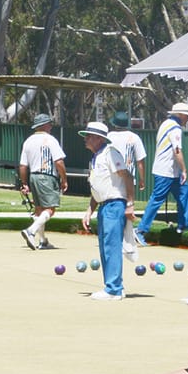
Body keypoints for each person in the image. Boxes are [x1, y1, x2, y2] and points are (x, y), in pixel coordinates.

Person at [79, 122, 136, 301]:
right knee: (105, 248)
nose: (85, 139)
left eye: (88, 136)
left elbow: (127, 176)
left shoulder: (110, 153)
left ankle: (114, 289)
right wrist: (90, 210)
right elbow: (98, 187)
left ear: (99, 138)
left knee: (111, 247)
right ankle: (113, 286)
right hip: (104, 206)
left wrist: (130, 204)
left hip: (115, 204)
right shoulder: (96, 157)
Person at [135, 103, 188, 244]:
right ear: (180, 115)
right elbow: (177, 150)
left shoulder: (166, 124)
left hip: (170, 171)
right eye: (187, 116)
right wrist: (184, 170)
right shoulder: (175, 128)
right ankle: (140, 230)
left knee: (185, 191)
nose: (187, 119)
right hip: (166, 171)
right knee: (157, 200)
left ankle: (185, 224)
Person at [19, 113, 68, 250]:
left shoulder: (28, 141)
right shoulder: (50, 140)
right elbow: (59, 162)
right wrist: (64, 179)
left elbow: (23, 166)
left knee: (39, 210)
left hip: (33, 176)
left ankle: (43, 241)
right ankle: (31, 231)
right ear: (45, 125)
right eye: (49, 124)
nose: (51, 126)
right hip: (47, 176)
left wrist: (24, 183)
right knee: (50, 209)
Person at [107, 111, 147, 192]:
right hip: (128, 178)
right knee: (127, 203)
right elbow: (140, 162)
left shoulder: (109, 136)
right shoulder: (134, 137)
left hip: (110, 178)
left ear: (114, 124)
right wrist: (142, 179)